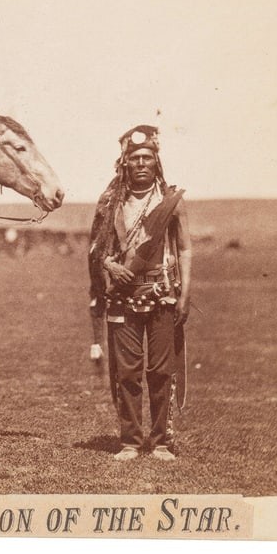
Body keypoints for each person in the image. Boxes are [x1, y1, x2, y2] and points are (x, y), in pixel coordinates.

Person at [88, 125, 192, 461]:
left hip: (161, 292)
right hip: (122, 294)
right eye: (135, 158)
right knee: (128, 371)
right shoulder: (110, 203)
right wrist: (108, 265)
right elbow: (96, 248)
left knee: (161, 370)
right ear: (125, 163)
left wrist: (186, 291)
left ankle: (160, 441)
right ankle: (131, 440)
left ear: (156, 162)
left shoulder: (171, 202)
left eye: (148, 157)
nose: (142, 163)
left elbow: (186, 249)